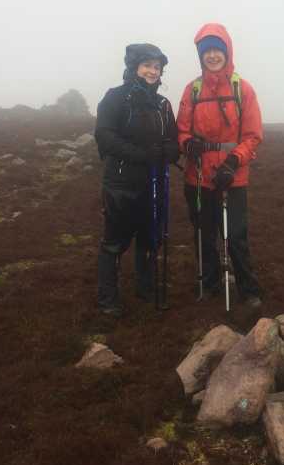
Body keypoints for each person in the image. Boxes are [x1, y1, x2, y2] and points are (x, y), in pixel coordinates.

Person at [176, 23, 264, 308]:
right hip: (198, 176)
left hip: (232, 176)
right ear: (200, 55)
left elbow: (252, 136)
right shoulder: (192, 90)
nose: (212, 56)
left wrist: (233, 162)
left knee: (235, 235)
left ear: (227, 51)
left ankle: (248, 289)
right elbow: (181, 131)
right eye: (206, 51)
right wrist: (187, 143)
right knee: (204, 234)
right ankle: (210, 284)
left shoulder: (243, 89)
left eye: (217, 50)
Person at [93, 43, 179, 316]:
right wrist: (142, 155)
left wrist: (170, 150)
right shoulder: (116, 98)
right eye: (147, 65)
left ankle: (145, 287)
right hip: (121, 184)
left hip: (155, 184)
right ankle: (108, 300)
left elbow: (173, 140)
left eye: (157, 67)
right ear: (134, 67)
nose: (153, 71)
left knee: (149, 240)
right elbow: (105, 137)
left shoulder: (163, 105)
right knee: (114, 243)